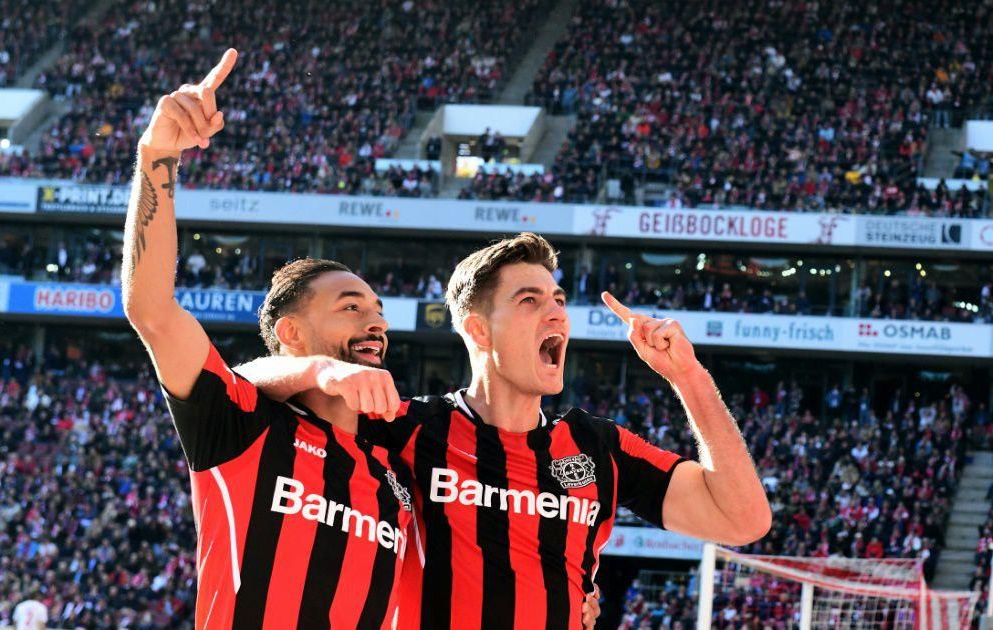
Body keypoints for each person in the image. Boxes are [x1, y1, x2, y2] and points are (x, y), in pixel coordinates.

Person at [242, 233, 770, 628]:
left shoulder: (598, 448)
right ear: (476, 328)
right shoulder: (402, 430)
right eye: (529, 301)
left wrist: (688, 376)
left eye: (558, 300)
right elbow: (243, 384)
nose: (556, 315)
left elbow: (743, 519)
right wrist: (320, 369)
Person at [122, 48, 418, 629]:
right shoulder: (241, 425)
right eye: (351, 306)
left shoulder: (398, 465)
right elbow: (151, 309)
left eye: (378, 310)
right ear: (291, 332)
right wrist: (157, 153)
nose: (375, 321)